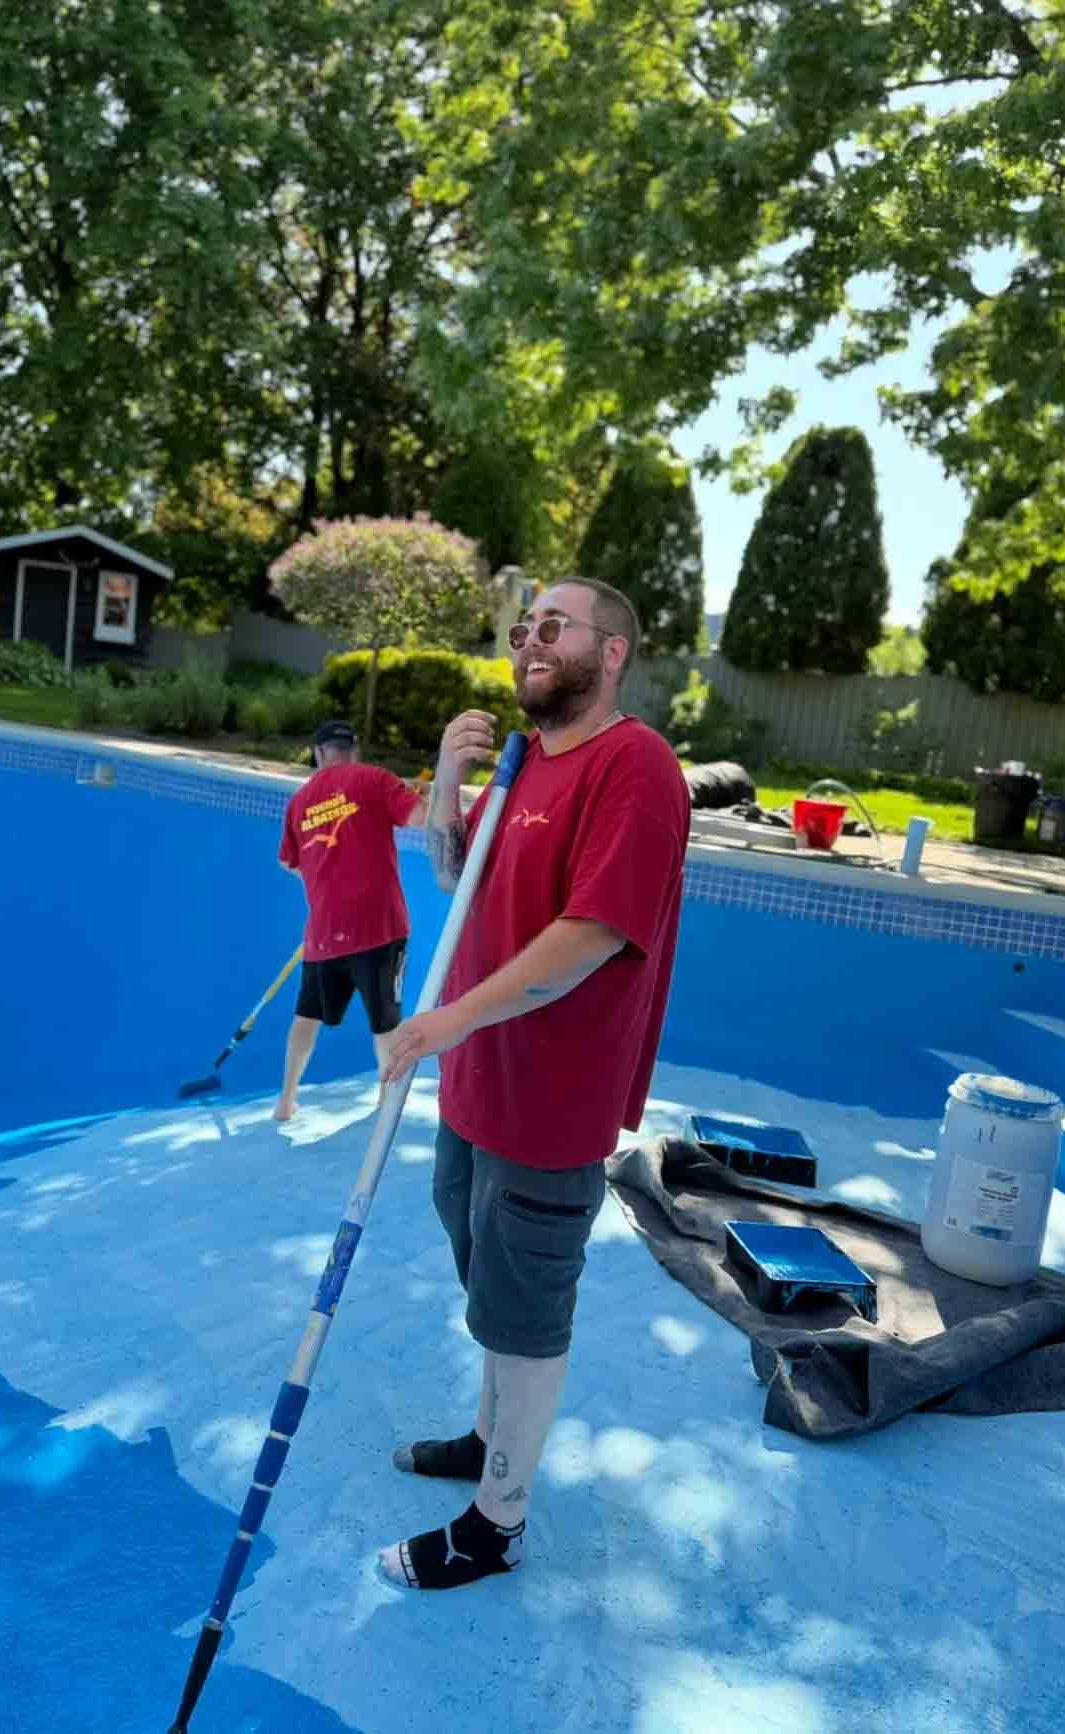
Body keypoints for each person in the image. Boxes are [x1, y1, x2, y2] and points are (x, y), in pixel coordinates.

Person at [375, 577, 691, 1591]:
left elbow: (592, 937)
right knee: (491, 1292)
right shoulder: (527, 767)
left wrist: (441, 1023)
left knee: (524, 1313)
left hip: (548, 1106)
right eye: (522, 629)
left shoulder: (634, 767)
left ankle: (497, 1522)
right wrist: (443, 780)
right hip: (477, 1087)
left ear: (612, 652)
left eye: (553, 625)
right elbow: (452, 878)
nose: (528, 641)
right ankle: (486, 1439)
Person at [275, 719, 426, 1120]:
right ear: (354, 750)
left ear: (319, 753)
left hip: (324, 932)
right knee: (386, 1021)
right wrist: (424, 796)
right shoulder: (375, 779)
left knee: (306, 1017)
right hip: (379, 928)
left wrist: (327, 876)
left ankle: (286, 1101)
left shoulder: (300, 801)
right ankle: (386, 1099)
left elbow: (290, 863)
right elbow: (420, 818)